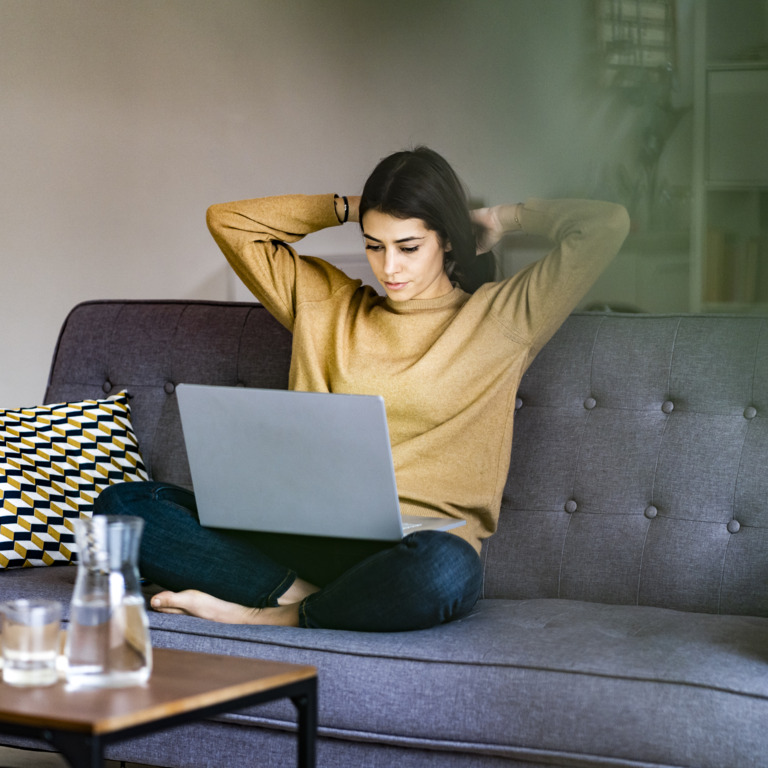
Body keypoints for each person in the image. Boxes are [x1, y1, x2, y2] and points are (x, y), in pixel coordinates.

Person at [95, 147, 629, 632]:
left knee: (447, 571)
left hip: (411, 549)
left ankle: (270, 615)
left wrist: (499, 218)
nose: (389, 267)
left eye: (409, 245)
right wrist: (356, 206)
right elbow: (229, 223)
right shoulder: (327, 303)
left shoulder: (504, 318)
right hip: (300, 533)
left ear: (445, 239)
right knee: (123, 505)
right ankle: (314, 601)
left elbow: (607, 222)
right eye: (374, 245)